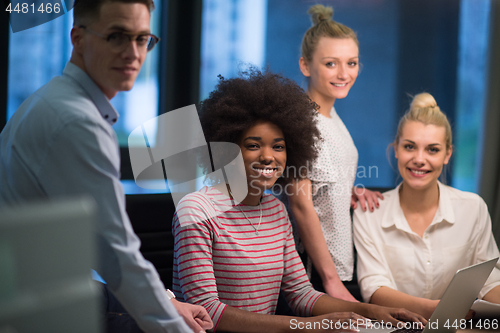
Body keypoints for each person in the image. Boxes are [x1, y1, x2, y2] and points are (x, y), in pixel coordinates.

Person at [0, 1, 212, 332]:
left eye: (142, 38)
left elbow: (94, 249)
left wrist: (169, 302)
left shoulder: (51, 99)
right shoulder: (76, 122)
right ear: (78, 38)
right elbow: (116, 254)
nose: (133, 52)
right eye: (117, 36)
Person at [172, 69, 426, 332]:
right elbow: (208, 312)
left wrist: (372, 311)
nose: (269, 156)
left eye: (278, 146)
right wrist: (308, 326)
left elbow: (301, 293)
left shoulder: (275, 210)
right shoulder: (196, 210)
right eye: (253, 145)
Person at [353, 92, 500, 319]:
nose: (419, 159)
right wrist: (434, 310)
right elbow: (374, 288)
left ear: (447, 154)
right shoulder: (369, 213)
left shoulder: (473, 209)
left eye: (432, 149)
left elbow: (489, 280)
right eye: (410, 147)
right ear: (396, 149)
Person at [283, 4, 382, 302]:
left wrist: (346, 192)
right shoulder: (301, 122)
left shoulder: (331, 118)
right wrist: (330, 281)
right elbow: (300, 205)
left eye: (351, 63)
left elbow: (320, 183)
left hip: (333, 269)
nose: (344, 73)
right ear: (305, 65)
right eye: (330, 64)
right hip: (310, 271)